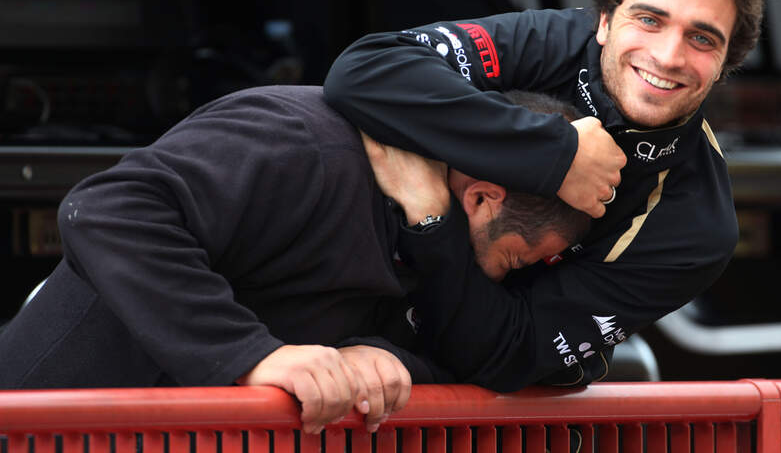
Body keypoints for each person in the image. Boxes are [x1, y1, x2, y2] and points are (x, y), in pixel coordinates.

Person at [323, 0, 769, 391]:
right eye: (649, 20)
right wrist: (555, 154)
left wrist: (432, 219)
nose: (668, 56)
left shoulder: (696, 225)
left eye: (702, 38)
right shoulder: (555, 41)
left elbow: (507, 354)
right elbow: (363, 70)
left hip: (434, 389)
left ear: (725, 65)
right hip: (324, 303)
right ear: (603, 21)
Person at [0, 86, 589, 433]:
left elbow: (471, 348)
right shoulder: (302, 144)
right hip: (48, 431)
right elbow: (109, 211)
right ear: (483, 198)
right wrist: (251, 354)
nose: (499, 286)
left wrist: (384, 360)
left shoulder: (436, 231)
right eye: (511, 262)